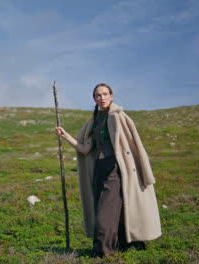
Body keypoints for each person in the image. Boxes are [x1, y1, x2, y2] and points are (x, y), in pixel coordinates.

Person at [55, 83, 161, 257]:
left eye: (105, 94)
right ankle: (128, 244)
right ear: (94, 99)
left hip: (116, 169)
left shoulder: (118, 116)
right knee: (112, 209)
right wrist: (65, 135)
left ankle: (102, 251)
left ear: (111, 96)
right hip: (100, 169)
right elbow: (85, 149)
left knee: (104, 212)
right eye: (98, 95)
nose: (102, 98)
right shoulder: (94, 121)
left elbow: (132, 146)